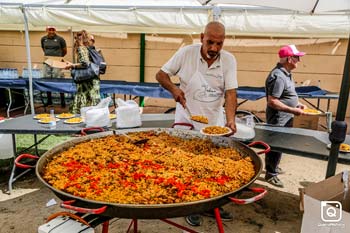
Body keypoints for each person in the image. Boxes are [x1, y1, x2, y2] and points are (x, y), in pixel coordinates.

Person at [155, 21, 237, 226]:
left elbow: (231, 92)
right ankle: (189, 204)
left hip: (213, 122)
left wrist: (230, 120)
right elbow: (161, 74)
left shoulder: (228, 60)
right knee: (186, 165)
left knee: (211, 167)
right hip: (186, 119)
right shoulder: (186, 53)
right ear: (202, 37)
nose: (214, 49)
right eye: (210, 42)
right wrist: (174, 90)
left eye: (219, 44)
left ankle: (211, 205)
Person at [264, 44, 310, 187]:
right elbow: (272, 101)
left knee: (280, 145)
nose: (299, 61)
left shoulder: (286, 74)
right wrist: (293, 110)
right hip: (279, 118)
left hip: (285, 117)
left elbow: (287, 96)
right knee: (275, 144)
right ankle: (271, 174)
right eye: (297, 58)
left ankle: (274, 167)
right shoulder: (278, 76)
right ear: (290, 58)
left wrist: (297, 104)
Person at [65, 30, 100, 114]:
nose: (75, 40)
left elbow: (85, 63)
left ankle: (80, 119)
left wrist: (72, 65)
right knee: (92, 102)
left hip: (86, 80)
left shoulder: (81, 48)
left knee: (83, 100)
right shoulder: (89, 48)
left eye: (76, 38)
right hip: (92, 78)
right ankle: (93, 119)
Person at [41, 26, 67, 108]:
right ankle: (49, 100)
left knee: (58, 79)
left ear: (55, 30)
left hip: (57, 61)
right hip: (47, 61)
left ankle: (62, 100)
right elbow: (43, 48)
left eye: (53, 30)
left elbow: (65, 51)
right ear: (47, 30)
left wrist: (58, 58)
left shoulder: (60, 39)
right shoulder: (43, 39)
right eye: (50, 30)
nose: (51, 31)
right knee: (46, 79)